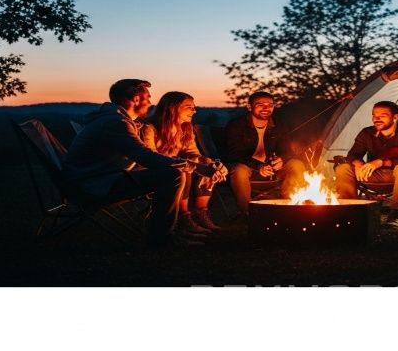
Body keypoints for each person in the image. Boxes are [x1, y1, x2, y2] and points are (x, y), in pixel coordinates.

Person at [62, 79, 207, 248]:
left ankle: (166, 233)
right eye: (147, 97)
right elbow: (147, 158)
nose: (150, 102)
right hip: (91, 187)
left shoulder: (116, 121)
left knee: (172, 171)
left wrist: (196, 162)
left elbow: (142, 159)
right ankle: (162, 239)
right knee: (172, 175)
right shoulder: (116, 123)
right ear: (136, 99)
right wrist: (196, 167)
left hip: (97, 180)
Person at [141, 91, 227, 238]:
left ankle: (201, 212)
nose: (194, 110)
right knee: (184, 169)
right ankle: (183, 216)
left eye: (194, 107)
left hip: (177, 168)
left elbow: (192, 152)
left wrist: (209, 162)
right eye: (189, 107)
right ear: (172, 108)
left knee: (205, 165)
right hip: (155, 174)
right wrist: (190, 163)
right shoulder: (150, 128)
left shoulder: (186, 128)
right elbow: (151, 158)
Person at [334, 101, 398, 229]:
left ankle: (395, 216)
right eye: (374, 115)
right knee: (343, 168)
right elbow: (353, 155)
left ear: (396, 117)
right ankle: (349, 213)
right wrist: (358, 164)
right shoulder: (367, 133)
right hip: (371, 176)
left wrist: (380, 162)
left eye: (382, 115)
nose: (376, 119)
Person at [223, 91, 306, 215]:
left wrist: (282, 159)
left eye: (270, 105)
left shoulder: (279, 124)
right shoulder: (237, 125)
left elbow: (287, 150)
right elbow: (233, 153)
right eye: (260, 104)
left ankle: (291, 206)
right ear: (250, 107)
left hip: (272, 170)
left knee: (296, 164)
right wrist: (258, 165)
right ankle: (248, 213)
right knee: (239, 170)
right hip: (248, 168)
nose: (266, 108)